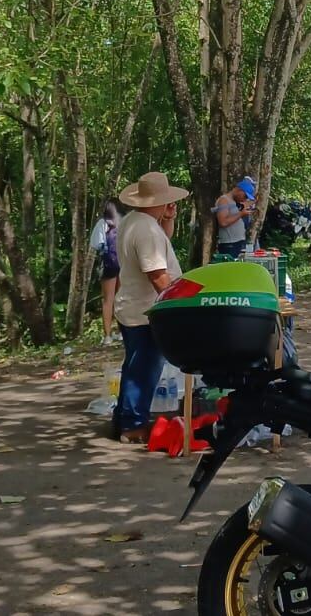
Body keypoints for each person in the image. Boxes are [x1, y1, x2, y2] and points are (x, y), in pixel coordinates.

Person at [113, 171, 187, 444]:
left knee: (135, 366)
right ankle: (132, 425)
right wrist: (175, 306)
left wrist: (168, 220)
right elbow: (157, 274)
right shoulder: (145, 229)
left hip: (132, 306)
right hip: (145, 310)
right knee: (143, 369)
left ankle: (124, 417)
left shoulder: (135, 221)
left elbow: (161, 245)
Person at [87, 200, 122, 341]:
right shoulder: (124, 222)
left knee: (108, 300)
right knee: (121, 298)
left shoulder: (102, 223)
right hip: (123, 264)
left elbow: (96, 244)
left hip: (108, 265)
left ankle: (107, 336)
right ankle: (121, 332)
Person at [212, 177, 257, 258]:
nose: (245, 199)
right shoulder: (224, 200)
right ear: (239, 190)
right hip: (230, 244)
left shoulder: (234, 202)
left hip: (238, 242)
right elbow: (223, 222)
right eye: (245, 196)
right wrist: (241, 214)